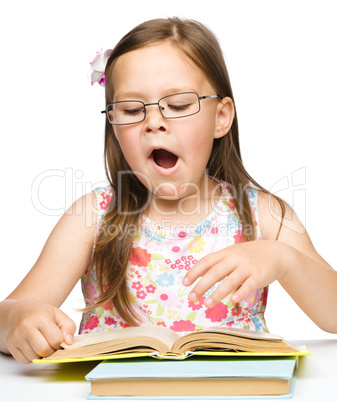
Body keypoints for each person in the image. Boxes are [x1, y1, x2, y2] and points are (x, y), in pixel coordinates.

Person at [1, 17, 336, 365]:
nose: (154, 122)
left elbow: (334, 316)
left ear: (221, 117)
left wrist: (284, 259)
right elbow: (7, 314)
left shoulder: (262, 214)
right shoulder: (92, 217)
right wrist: (16, 320)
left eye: (177, 105)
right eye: (132, 110)